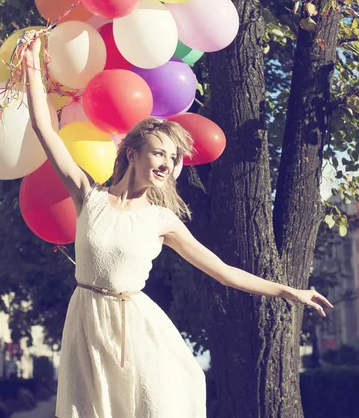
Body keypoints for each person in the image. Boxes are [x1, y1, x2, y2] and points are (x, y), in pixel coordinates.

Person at [21, 32, 333, 417]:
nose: (167, 163)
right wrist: (32, 61)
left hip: (136, 329)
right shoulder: (89, 196)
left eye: (172, 157)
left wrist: (288, 290)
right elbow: (43, 128)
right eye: (158, 153)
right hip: (87, 324)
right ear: (132, 154)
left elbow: (223, 272)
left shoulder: (161, 221)